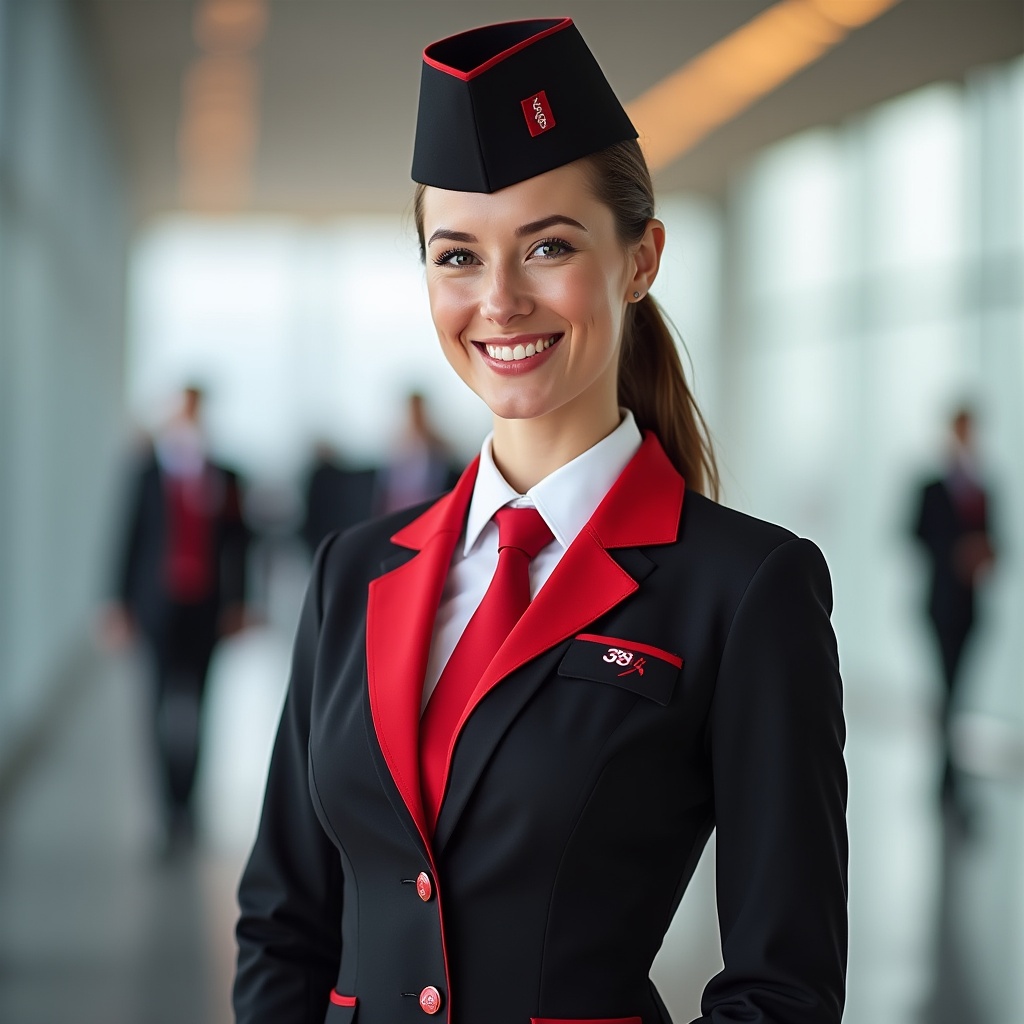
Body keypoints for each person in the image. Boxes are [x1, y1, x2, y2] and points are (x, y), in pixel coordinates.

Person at [234, 18, 847, 1024]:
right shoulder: (355, 571)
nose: (499, 301)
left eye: (548, 246)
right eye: (457, 256)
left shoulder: (742, 590)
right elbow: (282, 921)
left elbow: (784, 989)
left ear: (641, 258)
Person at [105, 385, 250, 850]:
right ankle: (165, 807)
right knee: (157, 705)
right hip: (157, 604)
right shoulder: (148, 471)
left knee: (200, 706)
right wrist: (117, 602)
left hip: (205, 606)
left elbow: (238, 546)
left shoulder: (224, 474)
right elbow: (127, 535)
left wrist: (239, 602)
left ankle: (190, 805)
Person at [913, 406, 996, 822]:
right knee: (947, 691)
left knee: (958, 692)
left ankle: (949, 777)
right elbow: (913, 534)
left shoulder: (983, 489)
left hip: (971, 607)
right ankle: (947, 778)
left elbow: (999, 541)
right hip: (941, 605)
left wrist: (985, 554)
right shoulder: (932, 487)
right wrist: (954, 555)